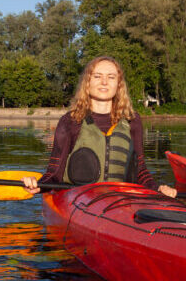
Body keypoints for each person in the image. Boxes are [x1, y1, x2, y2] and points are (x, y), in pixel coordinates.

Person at [22, 56, 177, 198]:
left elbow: (140, 171)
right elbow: (54, 173)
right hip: (78, 200)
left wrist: (157, 189)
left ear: (119, 84)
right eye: (97, 76)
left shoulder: (132, 121)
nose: (104, 82)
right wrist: (39, 185)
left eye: (111, 77)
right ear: (87, 82)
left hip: (121, 200)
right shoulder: (70, 121)